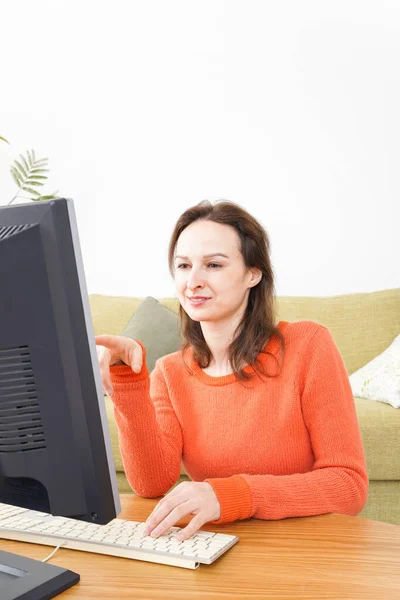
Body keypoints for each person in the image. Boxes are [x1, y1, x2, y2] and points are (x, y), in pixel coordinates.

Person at [95, 200, 368, 543]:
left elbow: (348, 484)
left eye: (213, 265)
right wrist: (129, 380)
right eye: (183, 265)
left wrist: (232, 495)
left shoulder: (309, 345)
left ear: (253, 273)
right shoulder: (170, 372)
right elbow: (151, 483)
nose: (193, 281)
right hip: (214, 546)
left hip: (302, 547)